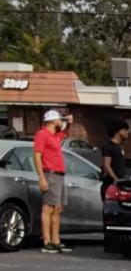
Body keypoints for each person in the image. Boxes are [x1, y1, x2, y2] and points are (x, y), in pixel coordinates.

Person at [32, 109, 74, 254]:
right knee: (48, 207)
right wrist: (42, 177)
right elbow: (37, 156)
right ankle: (47, 241)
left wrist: (68, 123)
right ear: (52, 120)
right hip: (50, 174)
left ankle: (56, 240)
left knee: (57, 208)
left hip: (59, 175)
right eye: (58, 119)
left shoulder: (54, 135)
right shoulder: (42, 135)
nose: (60, 122)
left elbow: (65, 133)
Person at [99, 117, 131, 196]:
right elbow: (106, 165)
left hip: (118, 186)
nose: (127, 132)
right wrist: (116, 179)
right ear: (118, 131)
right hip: (110, 187)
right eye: (125, 130)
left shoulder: (119, 147)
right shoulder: (109, 146)